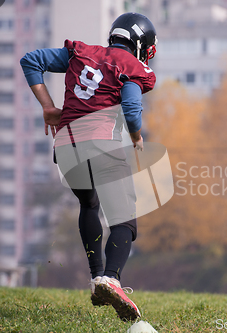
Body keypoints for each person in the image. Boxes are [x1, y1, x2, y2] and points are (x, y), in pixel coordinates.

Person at [20, 12, 157, 321]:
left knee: (89, 203)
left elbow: (31, 61)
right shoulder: (132, 66)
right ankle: (111, 278)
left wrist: (47, 106)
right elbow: (132, 108)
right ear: (139, 44)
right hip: (102, 143)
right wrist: (136, 137)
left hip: (66, 146)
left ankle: (97, 278)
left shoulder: (81, 54)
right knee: (124, 218)